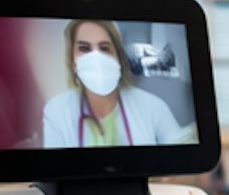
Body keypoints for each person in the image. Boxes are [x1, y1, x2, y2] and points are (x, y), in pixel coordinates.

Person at [42, 19, 187, 148]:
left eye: (105, 48)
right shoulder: (57, 110)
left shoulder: (154, 108)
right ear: (72, 61)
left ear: (118, 57)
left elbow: (185, 165)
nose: (96, 58)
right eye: (84, 49)